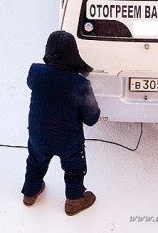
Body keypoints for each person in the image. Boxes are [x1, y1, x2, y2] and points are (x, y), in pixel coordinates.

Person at [21, 31, 100, 216]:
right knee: (74, 169)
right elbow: (92, 118)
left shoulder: (36, 72)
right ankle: (74, 200)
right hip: (68, 143)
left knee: (35, 162)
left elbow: (34, 84)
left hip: (38, 136)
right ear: (74, 53)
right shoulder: (80, 84)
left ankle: (30, 194)